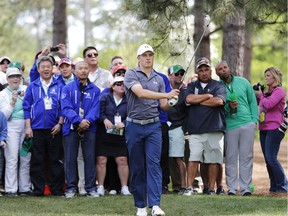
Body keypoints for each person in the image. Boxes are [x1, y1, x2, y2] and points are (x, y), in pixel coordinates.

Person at [124, 44, 179, 216]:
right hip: (134, 126)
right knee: (138, 166)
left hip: (153, 126)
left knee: (154, 165)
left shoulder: (159, 79)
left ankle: (155, 205)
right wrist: (166, 95)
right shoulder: (131, 74)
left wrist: (171, 102)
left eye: (150, 55)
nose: (148, 58)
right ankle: (141, 206)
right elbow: (140, 93)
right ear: (138, 58)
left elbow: (163, 106)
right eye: (144, 55)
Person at [23, 56, 65, 196]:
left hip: (55, 128)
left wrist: (60, 123)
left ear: (52, 68)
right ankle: (38, 189)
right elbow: (27, 107)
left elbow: (63, 106)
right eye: (43, 67)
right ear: (38, 69)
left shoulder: (60, 86)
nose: (46, 69)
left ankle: (57, 190)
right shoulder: (32, 86)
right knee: (37, 160)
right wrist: (28, 127)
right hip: (36, 128)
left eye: (48, 66)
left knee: (56, 160)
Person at [184, 57, 226, 196]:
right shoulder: (191, 86)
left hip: (214, 128)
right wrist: (208, 96)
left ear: (210, 70)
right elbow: (188, 99)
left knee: (213, 160)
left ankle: (211, 189)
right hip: (196, 129)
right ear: (197, 72)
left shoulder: (218, 85)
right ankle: (189, 187)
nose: (204, 73)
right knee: (194, 159)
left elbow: (219, 101)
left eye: (206, 69)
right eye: (201, 70)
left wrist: (198, 101)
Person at [215, 60, 258, 196]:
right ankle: (232, 188)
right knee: (231, 158)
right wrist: (229, 107)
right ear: (217, 73)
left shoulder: (243, 82)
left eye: (225, 67)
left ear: (229, 68)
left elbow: (253, 102)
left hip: (247, 124)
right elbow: (220, 110)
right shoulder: (218, 87)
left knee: (246, 157)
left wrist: (254, 121)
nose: (224, 70)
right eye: (220, 69)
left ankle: (245, 188)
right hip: (230, 126)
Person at [61, 61, 101, 198]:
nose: (83, 71)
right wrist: (78, 120)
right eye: (80, 68)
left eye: (85, 68)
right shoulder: (67, 89)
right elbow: (65, 108)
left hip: (89, 128)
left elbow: (96, 109)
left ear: (89, 70)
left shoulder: (95, 90)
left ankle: (91, 188)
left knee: (89, 158)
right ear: (74, 71)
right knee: (70, 158)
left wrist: (87, 121)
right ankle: (71, 188)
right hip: (72, 128)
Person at [96, 76, 131, 196]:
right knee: (101, 160)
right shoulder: (105, 97)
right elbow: (99, 113)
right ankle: (100, 186)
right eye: (118, 83)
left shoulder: (129, 100)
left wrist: (125, 123)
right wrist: (105, 119)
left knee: (122, 160)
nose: (122, 85)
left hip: (120, 135)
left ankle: (124, 187)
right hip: (104, 134)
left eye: (124, 84)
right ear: (112, 86)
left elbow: (133, 115)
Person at [255, 67, 288, 193]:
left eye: (268, 75)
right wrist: (258, 93)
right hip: (263, 128)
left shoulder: (280, 91)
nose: (266, 78)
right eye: (265, 76)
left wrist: (261, 96)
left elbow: (268, 104)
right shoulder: (268, 91)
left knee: (271, 158)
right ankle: (274, 187)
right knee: (268, 161)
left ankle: (283, 186)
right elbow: (261, 102)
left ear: (275, 77)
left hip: (275, 128)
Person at [0, 66, 31, 196]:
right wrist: (12, 102)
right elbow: (3, 116)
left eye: (18, 76)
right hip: (11, 126)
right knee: (12, 158)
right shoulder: (2, 94)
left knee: (25, 157)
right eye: (12, 76)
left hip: (27, 125)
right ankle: (11, 189)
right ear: (7, 79)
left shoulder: (26, 89)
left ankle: (25, 187)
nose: (15, 79)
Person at [167, 65, 187, 195]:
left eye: (181, 73)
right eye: (176, 73)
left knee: (178, 157)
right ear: (170, 75)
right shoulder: (163, 89)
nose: (179, 76)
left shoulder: (185, 91)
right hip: (163, 127)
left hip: (178, 127)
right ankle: (174, 185)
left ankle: (184, 186)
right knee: (168, 158)